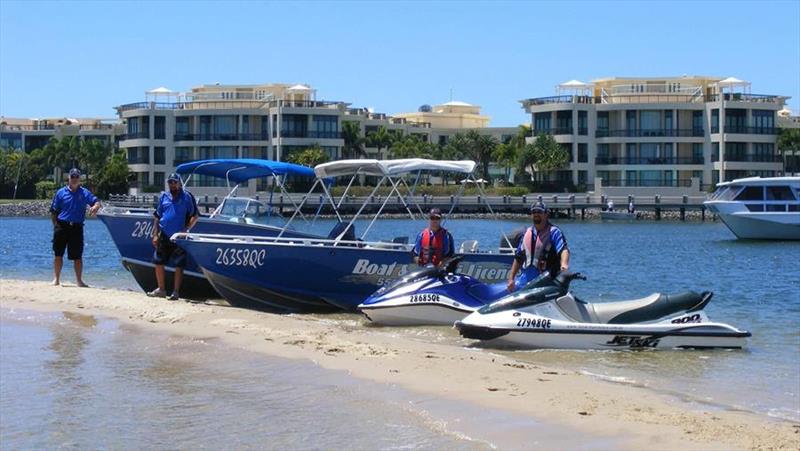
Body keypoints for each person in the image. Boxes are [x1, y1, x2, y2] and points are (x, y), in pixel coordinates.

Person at [147, 173, 199, 300]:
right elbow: (157, 216)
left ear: (180, 183)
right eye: (170, 182)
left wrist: (186, 230)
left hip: (179, 236)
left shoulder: (187, 196)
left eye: (175, 182)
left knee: (179, 264)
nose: (172, 185)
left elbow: (195, 215)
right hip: (164, 234)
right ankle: (161, 289)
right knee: (158, 261)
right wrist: (155, 234)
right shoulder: (164, 197)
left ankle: (176, 292)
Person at [50, 168, 101, 286]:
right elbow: (54, 211)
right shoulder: (61, 192)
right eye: (72, 177)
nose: (74, 179)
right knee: (58, 254)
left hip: (77, 227)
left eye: (76, 177)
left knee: (78, 256)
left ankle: (79, 281)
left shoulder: (84, 192)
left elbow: (96, 201)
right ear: (69, 178)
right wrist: (56, 226)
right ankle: (56, 279)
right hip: (61, 226)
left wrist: (95, 207)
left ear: (80, 179)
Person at [506, 202, 570, 292]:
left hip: (545, 282)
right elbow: (518, 257)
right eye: (534, 212)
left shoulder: (554, 232)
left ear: (546, 214)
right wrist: (511, 278)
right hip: (525, 282)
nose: (536, 214)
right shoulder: (526, 233)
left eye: (539, 211)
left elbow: (564, 249)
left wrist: (564, 264)